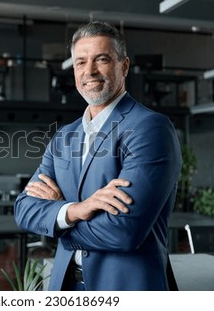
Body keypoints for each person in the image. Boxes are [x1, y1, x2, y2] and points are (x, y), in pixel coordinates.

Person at [14, 21, 182, 291]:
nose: (89, 71)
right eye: (80, 62)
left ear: (124, 66)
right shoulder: (65, 137)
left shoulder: (149, 128)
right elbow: (24, 209)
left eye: (101, 59)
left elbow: (123, 232)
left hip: (124, 287)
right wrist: (76, 210)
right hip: (66, 286)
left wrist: (58, 220)